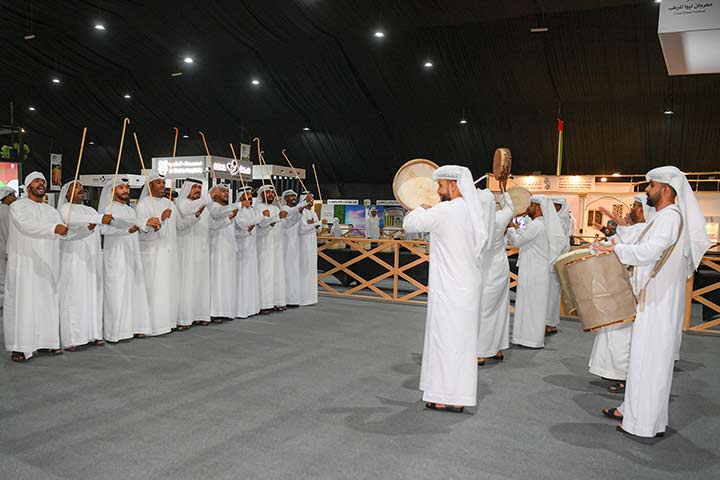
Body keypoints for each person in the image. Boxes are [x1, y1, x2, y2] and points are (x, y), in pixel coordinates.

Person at [597, 166, 710, 438]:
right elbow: (638, 237)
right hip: (651, 301)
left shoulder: (670, 218)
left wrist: (617, 250)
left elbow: (648, 251)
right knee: (641, 359)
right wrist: (612, 242)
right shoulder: (662, 217)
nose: (647, 190)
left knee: (651, 361)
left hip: (659, 303)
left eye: (651, 185)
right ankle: (633, 411)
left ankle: (645, 424)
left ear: (666, 189)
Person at [403, 165, 494, 413]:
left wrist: (419, 208)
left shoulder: (447, 210)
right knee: (460, 345)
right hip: (466, 288)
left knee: (446, 342)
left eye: (440, 185)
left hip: (451, 290)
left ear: (453, 185)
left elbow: (410, 225)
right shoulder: (470, 212)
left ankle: (449, 397)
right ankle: (452, 395)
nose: (438, 190)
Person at [3, 172, 85, 362]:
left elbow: (63, 233)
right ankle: (20, 346)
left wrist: (84, 230)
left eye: (43, 181)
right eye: (37, 181)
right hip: (25, 263)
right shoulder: (17, 207)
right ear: (28, 185)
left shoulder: (51, 211)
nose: (41, 184)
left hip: (46, 263)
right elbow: (26, 226)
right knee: (23, 304)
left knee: (46, 302)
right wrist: (53, 229)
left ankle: (47, 342)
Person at [588, 194, 654, 393]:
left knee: (624, 335)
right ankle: (614, 372)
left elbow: (621, 247)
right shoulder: (636, 230)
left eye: (635, 206)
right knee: (613, 332)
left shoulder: (643, 230)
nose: (631, 209)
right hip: (622, 286)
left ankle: (625, 376)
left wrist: (607, 246)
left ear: (644, 211)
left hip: (633, 290)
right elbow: (616, 241)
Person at [56, 180, 112, 350]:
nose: (81, 189)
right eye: (76, 187)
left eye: (81, 187)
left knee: (92, 295)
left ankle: (94, 333)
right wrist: (99, 218)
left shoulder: (90, 210)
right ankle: (72, 337)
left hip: (90, 259)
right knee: (74, 296)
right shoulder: (65, 209)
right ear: (66, 193)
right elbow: (74, 221)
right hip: (74, 259)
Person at [99, 177, 156, 342]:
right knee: (116, 292)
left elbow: (134, 224)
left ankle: (134, 327)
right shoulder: (108, 208)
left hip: (132, 253)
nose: (125, 190)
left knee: (133, 289)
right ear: (112, 191)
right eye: (121, 187)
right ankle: (115, 332)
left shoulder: (131, 210)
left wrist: (146, 225)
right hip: (116, 255)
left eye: (127, 187)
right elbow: (103, 228)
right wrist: (126, 230)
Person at [507, 195, 566, 349]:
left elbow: (517, 241)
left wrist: (512, 228)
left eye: (531, 205)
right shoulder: (541, 224)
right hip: (536, 270)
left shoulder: (537, 225)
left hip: (533, 271)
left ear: (539, 207)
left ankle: (530, 339)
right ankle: (527, 338)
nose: (528, 208)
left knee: (531, 305)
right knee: (531, 305)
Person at [136, 172, 180, 336]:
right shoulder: (143, 204)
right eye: (159, 183)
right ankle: (151, 325)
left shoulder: (170, 203)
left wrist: (196, 215)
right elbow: (142, 232)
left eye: (163, 183)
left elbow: (180, 225)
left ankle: (168, 322)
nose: (163, 186)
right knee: (154, 289)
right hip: (153, 254)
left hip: (169, 253)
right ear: (150, 186)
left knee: (168, 288)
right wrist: (160, 220)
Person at [477, 191, 514, 365]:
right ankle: (497, 347)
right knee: (499, 308)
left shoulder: (476, 224)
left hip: (483, 270)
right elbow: (510, 207)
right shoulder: (500, 218)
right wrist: (504, 195)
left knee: (483, 310)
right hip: (500, 268)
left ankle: (481, 351)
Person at [175, 179, 213, 328]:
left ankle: (200, 314)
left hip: (202, 249)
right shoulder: (181, 203)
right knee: (187, 281)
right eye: (194, 187)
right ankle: (184, 318)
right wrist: (209, 197)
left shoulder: (204, 206)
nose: (197, 190)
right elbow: (187, 210)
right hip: (187, 249)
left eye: (199, 187)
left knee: (200, 281)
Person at [208, 183, 238, 321]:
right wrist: (236, 207)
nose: (226, 193)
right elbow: (217, 216)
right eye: (222, 191)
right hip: (217, 248)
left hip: (228, 249)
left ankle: (226, 310)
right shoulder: (213, 207)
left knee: (226, 279)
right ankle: (215, 311)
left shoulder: (227, 209)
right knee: (218, 279)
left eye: (227, 191)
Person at [254, 185, 286, 313]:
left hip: (276, 245)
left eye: (272, 192)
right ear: (261, 194)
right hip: (264, 245)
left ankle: (277, 301)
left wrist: (281, 217)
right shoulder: (258, 208)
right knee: (265, 273)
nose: (271, 194)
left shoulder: (275, 208)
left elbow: (282, 224)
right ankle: (264, 304)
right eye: (268, 192)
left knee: (276, 273)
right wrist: (275, 218)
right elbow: (261, 224)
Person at [545, 198, 572, 335]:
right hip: (555, 260)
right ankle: (550, 322)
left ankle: (549, 322)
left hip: (555, 260)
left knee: (552, 294)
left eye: (557, 206)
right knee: (552, 293)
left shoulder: (561, 221)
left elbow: (558, 242)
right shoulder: (562, 220)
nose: (555, 208)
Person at [280, 189, 310, 308]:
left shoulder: (295, 210)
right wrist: (302, 204)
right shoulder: (284, 209)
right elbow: (289, 215)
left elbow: (292, 221)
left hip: (294, 245)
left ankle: (292, 298)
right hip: (285, 244)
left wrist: (300, 210)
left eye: (294, 196)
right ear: (285, 198)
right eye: (291, 196)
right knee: (287, 271)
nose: (293, 197)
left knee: (293, 271)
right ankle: (286, 298)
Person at [234, 186, 261, 319]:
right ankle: (240, 308)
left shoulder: (252, 211)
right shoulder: (238, 210)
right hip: (241, 248)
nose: (248, 201)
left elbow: (257, 221)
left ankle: (251, 307)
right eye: (245, 198)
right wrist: (247, 229)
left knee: (250, 275)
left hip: (251, 247)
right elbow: (240, 225)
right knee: (242, 276)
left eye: (250, 198)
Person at [298, 192, 322, 306]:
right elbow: (302, 229)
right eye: (310, 199)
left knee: (311, 269)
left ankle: (311, 298)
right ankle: (302, 297)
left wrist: (316, 224)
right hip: (303, 244)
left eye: (312, 199)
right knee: (304, 268)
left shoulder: (313, 213)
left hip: (312, 244)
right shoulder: (301, 213)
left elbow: (319, 230)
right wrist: (315, 224)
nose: (312, 201)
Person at [0, 186, 17, 307]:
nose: (15, 198)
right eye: (13, 195)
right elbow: (9, 233)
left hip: (2, 247)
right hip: (5, 248)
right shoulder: (8, 211)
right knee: (4, 276)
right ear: (7, 197)